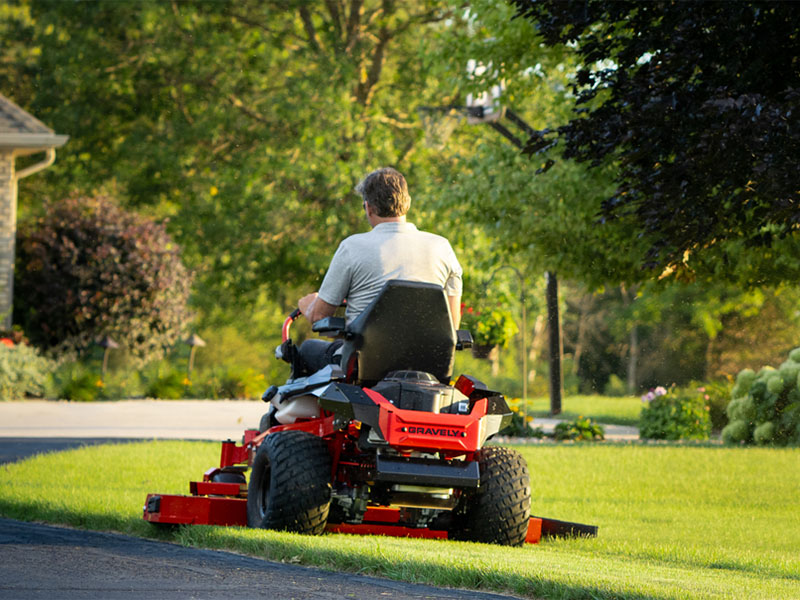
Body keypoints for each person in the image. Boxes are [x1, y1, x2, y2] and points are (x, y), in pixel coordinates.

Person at [296, 167, 462, 372]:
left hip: (364, 366)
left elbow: (319, 317)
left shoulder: (352, 247)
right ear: (408, 203)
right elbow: (451, 326)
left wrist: (308, 307)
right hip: (430, 368)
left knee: (307, 349)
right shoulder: (443, 248)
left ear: (368, 208)